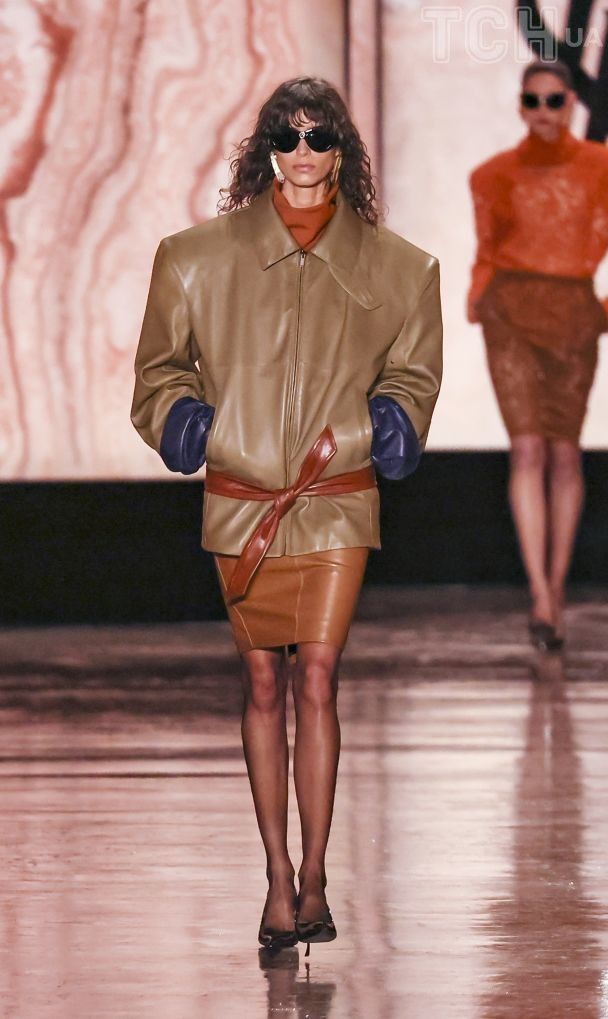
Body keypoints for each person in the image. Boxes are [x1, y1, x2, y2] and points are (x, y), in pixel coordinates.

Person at [131, 77, 442, 951]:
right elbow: (159, 374)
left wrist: (385, 424)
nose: (303, 152)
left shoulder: (402, 267)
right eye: (287, 135)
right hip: (242, 499)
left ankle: (316, 873)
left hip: (335, 495)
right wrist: (202, 428)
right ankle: (275, 875)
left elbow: (412, 373)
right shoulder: (193, 258)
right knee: (263, 681)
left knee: (318, 675)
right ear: (266, 148)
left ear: (343, 148)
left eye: (319, 135)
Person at [468, 60, 608, 652]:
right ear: (521, 106)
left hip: (574, 312)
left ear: (572, 103)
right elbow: (487, 249)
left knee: (565, 454)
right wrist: (479, 297)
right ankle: (541, 596)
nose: (545, 111)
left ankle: (557, 586)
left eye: (555, 100)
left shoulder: (601, 168)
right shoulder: (492, 175)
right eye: (534, 100)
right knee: (527, 449)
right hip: (511, 314)